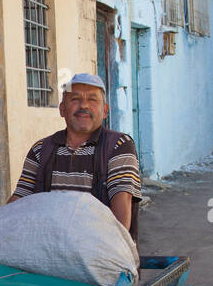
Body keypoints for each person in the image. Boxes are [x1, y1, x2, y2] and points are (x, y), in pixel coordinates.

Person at [9, 72, 141, 241]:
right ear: (62, 109)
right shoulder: (41, 149)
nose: (84, 105)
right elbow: (20, 198)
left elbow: (122, 198)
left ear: (105, 111)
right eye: (75, 99)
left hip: (99, 245)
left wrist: (114, 247)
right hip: (47, 245)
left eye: (92, 99)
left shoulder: (119, 145)